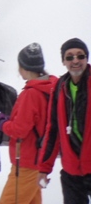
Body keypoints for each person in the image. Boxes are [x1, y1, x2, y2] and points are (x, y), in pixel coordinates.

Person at [0, 43, 57, 204]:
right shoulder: (51, 88)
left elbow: (19, 130)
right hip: (39, 158)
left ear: (23, 67)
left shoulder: (31, 94)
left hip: (27, 161)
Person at [38, 38, 91, 203]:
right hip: (71, 170)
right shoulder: (60, 87)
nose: (75, 60)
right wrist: (44, 168)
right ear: (63, 61)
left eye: (80, 56)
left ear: (86, 59)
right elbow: (53, 130)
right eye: (69, 57)